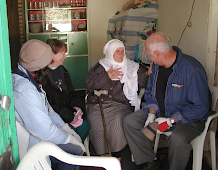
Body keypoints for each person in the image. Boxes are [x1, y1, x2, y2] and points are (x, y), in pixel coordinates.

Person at [123, 32, 213, 170]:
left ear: (158, 54)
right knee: (130, 122)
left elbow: (201, 106)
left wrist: (172, 120)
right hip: (160, 113)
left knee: (177, 138)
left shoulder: (192, 69)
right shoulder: (156, 67)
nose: (147, 57)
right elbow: (150, 93)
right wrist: (152, 113)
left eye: (148, 53)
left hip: (189, 119)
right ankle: (150, 161)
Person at [12, 39, 85, 170]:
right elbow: (46, 131)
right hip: (34, 143)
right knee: (75, 151)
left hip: (40, 136)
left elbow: (49, 110)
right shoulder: (25, 90)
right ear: (39, 66)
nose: (48, 68)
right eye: (47, 65)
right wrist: (70, 139)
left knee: (75, 148)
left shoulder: (30, 78)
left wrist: (65, 128)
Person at [85, 39, 151, 160]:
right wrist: (107, 76)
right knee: (95, 118)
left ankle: (116, 155)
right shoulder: (101, 66)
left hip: (121, 105)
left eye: (122, 50)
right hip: (99, 103)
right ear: (110, 53)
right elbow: (89, 84)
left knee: (117, 120)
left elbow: (141, 81)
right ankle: (103, 155)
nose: (121, 54)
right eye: (117, 51)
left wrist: (147, 75)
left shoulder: (132, 66)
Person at [42, 39, 90, 142]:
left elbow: (72, 93)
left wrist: (76, 106)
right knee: (81, 128)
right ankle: (71, 151)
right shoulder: (42, 77)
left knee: (86, 125)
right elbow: (47, 106)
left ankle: (73, 150)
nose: (65, 57)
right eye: (62, 54)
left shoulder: (63, 71)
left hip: (67, 114)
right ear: (52, 55)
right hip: (54, 120)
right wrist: (68, 116)